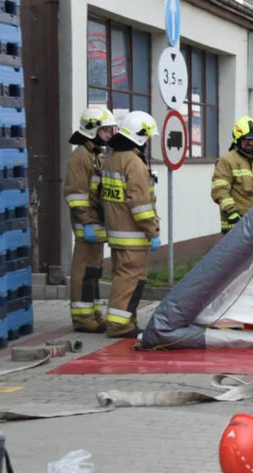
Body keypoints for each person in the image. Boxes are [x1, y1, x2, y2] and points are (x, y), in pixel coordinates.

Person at [100, 111, 159, 339]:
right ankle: (120, 325)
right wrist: (152, 230)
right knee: (131, 281)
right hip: (133, 235)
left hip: (116, 233)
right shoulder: (133, 162)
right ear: (141, 136)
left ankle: (124, 320)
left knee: (121, 279)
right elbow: (140, 203)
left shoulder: (112, 158)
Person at [63, 107, 117, 332]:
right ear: (93, 129)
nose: (108, 135)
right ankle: (82, 319)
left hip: (95, 222)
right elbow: (75, 194)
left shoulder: (94, 154)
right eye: (105, 131)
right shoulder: (81, 157)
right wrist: (86, 223)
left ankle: (93, 313)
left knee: (94, 271)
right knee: (83, 271)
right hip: (87, 224)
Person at [211, 116, 253, 235]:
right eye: (246, 139)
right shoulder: (227, 161)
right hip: (236, 227)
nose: (250, 142)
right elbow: (219, 190)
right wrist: (232, 212)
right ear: (237, 139)